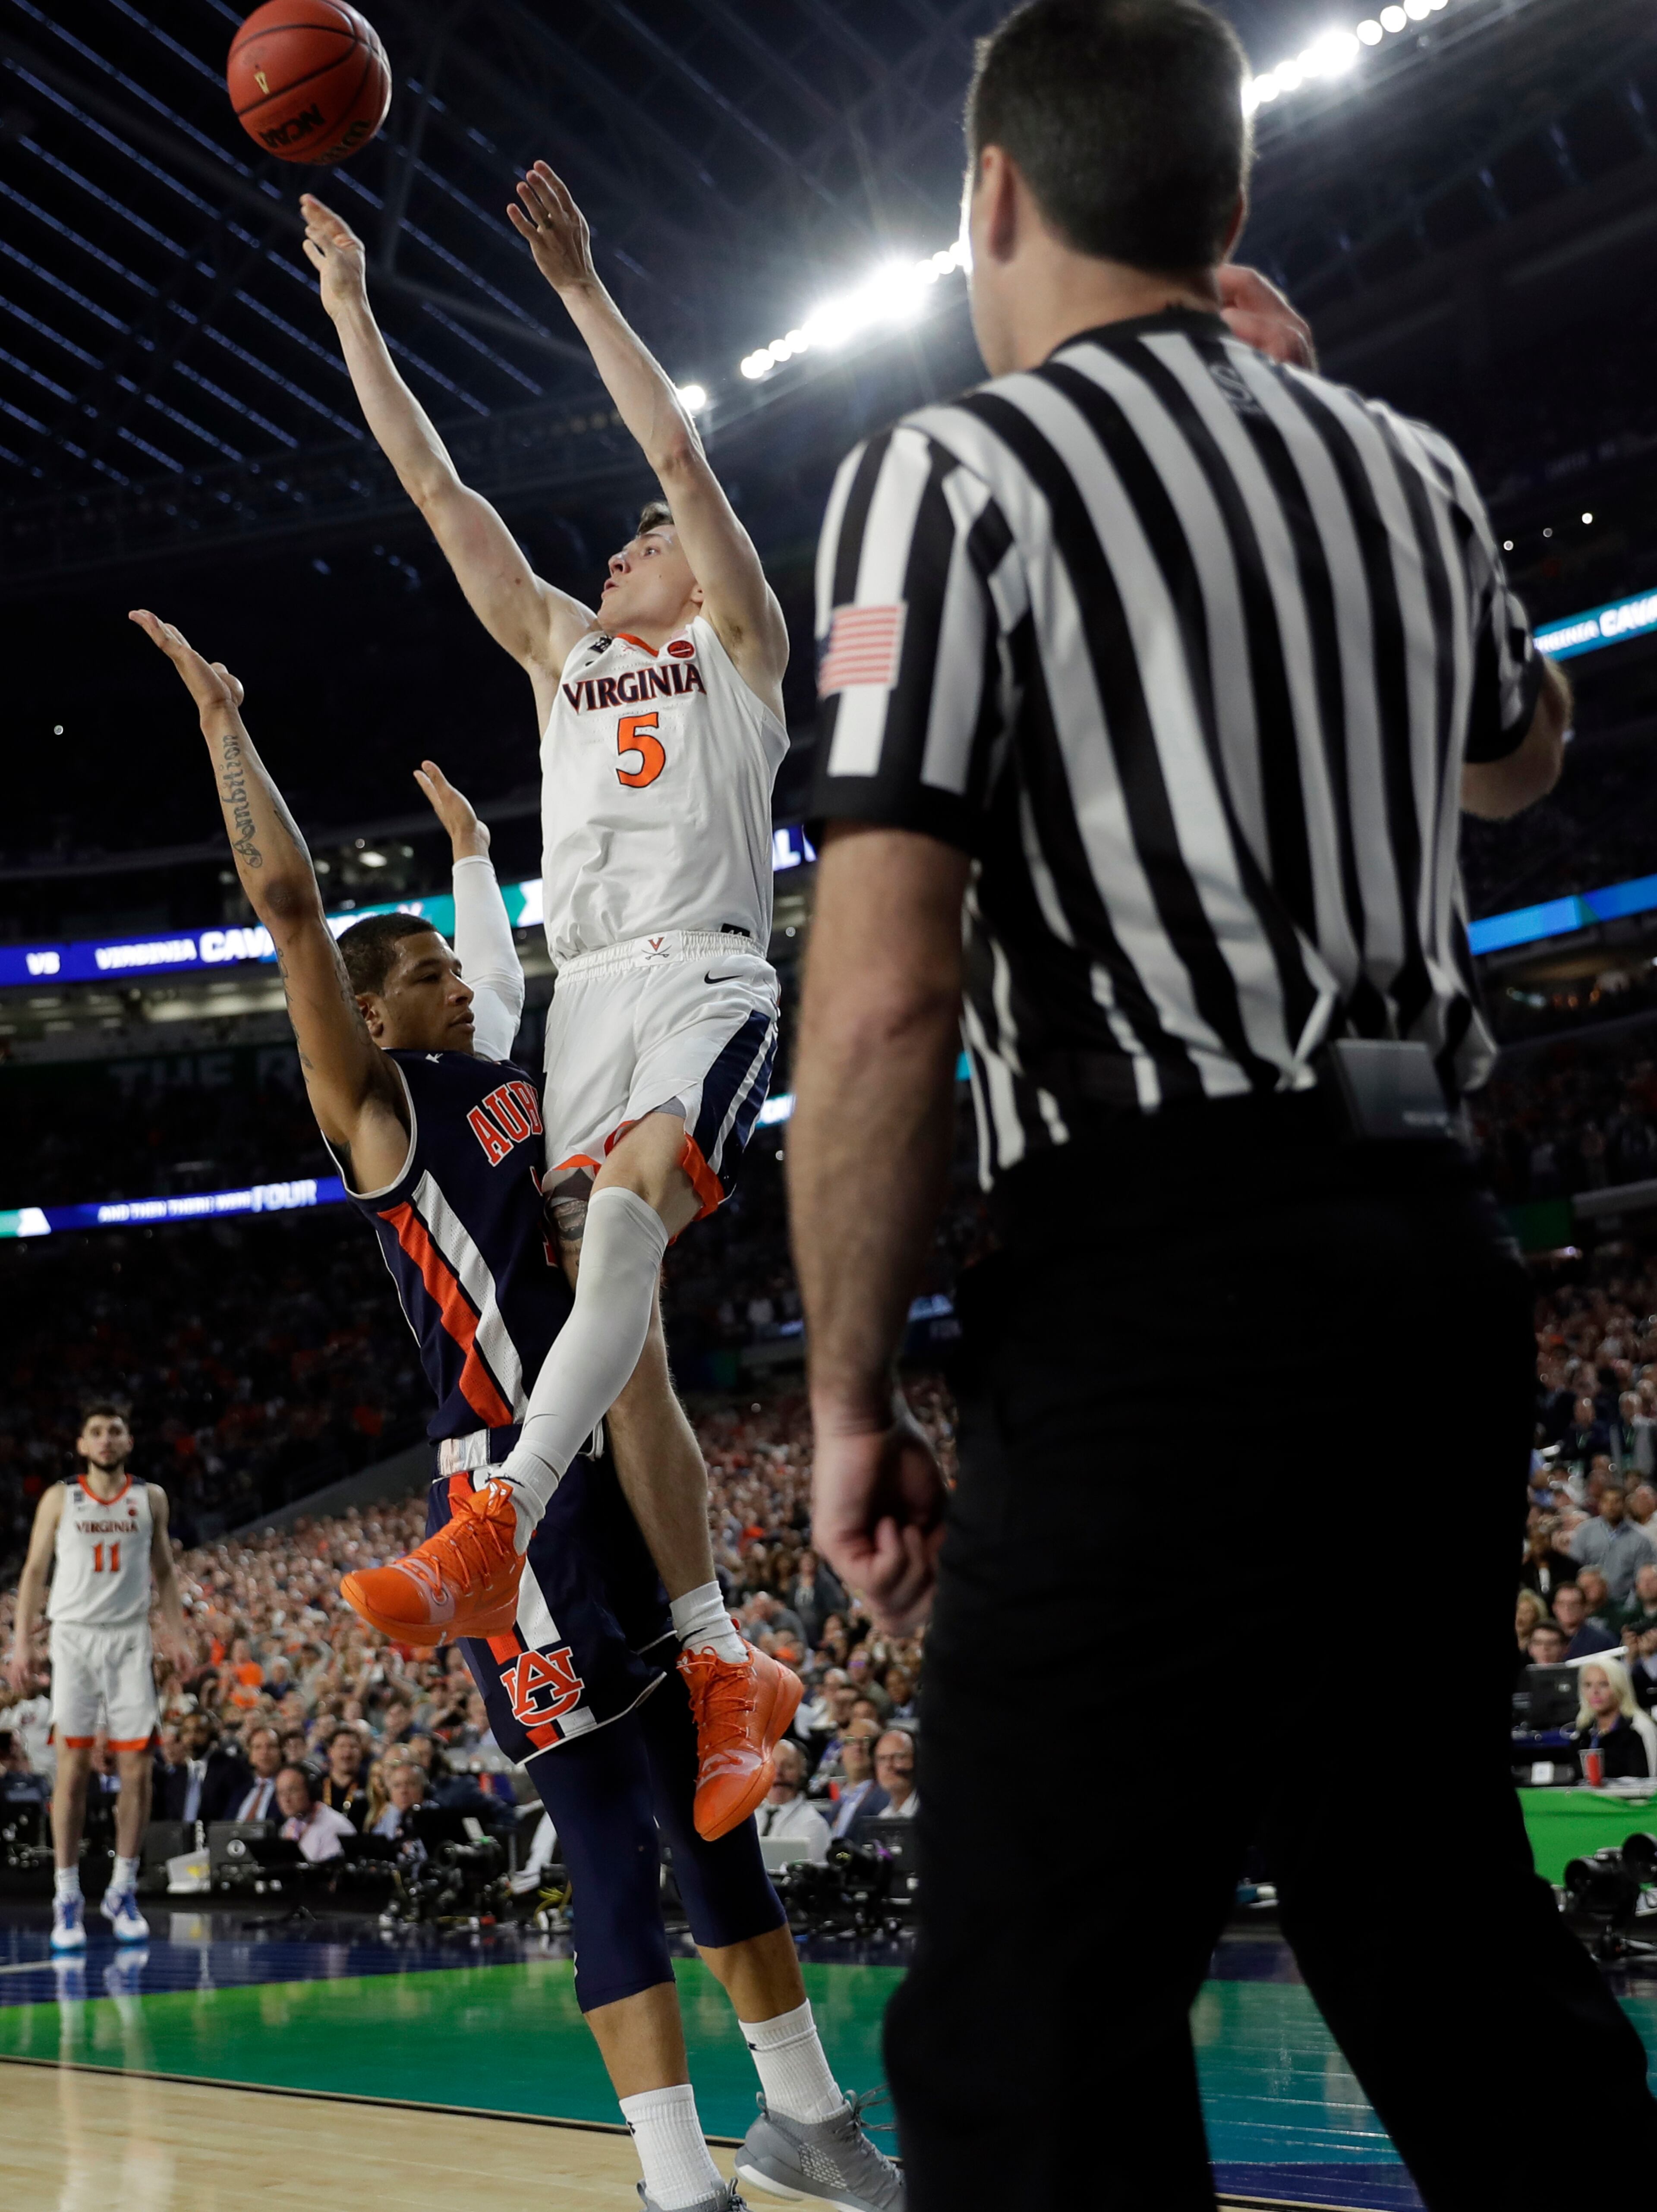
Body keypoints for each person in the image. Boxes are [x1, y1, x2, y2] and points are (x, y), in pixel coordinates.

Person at [787, 3, 1657, 2203]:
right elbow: (1518, 749)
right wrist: (1315, 438)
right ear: (1232, 207)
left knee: (1023, 2012)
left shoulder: (948, 472)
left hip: (1160, 1264)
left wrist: (850, 1390)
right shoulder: (1403, 467)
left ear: (990, 193)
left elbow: (884, 998)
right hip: (1432, 1255)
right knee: (1439, 1929)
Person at [135, 612, 896, 2212]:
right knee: (612, 1840)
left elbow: (526, 982)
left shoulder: (526, 1076)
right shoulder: (375, 1113)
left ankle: (808, 2119)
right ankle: (677, 2181)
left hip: (615, 1455)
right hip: (510, 1503)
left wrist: (480, 854)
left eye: (439, 963)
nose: (447, 985)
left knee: (715, 1809)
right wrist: (225, 724)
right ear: (380, 1019)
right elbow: (287, 908)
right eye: (414, 976)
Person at [298, 182, 803, 1824]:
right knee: (624, 1336)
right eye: (623, 548)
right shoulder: (561, 652)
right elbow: (436, 488)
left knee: (634, 1225)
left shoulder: (740, 649)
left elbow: (680, 463)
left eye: (640, 543)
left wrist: (583, 289)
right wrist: (356, 316)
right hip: (584, 1002)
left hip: (705, 970)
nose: (623, 545)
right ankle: (726, 1652)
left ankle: (498, 1511)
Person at [5, 1401, 189, 1950]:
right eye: (96, 1432)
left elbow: (165, 1570)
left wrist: (176, 1632)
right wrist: (21, 1641)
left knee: (138, 1768)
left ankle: (122, 1889)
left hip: (130, 1635)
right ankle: (66, 1895)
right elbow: (35, 1570)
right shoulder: (62, 1497)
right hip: (74, 1636)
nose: (107, 1439)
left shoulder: (150, 1496)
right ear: (82, 1446)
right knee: (73, 1767)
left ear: (128, 1441)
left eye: (115, 1431)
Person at [1569, 1484, 1656, 1604]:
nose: (1611, 1506)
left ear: (1626, 1504)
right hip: (1587, 1604)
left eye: (1616, 1501)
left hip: (1624, 1606)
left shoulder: (1641, 1539)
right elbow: (1574, 1570)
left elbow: (1641, 1580)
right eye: (1606, 1501)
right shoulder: (1584, 1532)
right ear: (1600, 1504)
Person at [1575, 1659, 1657, 1781]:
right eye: (1588, 1685)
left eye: (1604, 1684)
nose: (1595, 1692)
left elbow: (1650, 1783)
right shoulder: (1582, 1731)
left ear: (1620, 1686)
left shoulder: (1639, 1728)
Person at [755, 1743, 832, 1861]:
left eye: (788, 1766)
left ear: (803, 1774)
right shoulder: (752, 1817)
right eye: (772, 1766)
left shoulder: (813, 1825)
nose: (778, 1774)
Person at [276, 1764, 357, 1864]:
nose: (286, 1800)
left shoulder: (336, 1827)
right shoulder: (290, 1825)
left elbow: (330, 1873)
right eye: (281, 1793)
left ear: (311, 1791)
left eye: (293, 1790)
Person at [317, 1725, 369, 1829]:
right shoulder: (317, 1785)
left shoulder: (370, 1784)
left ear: (361, 1752)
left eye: (353, 1747)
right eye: (342, 1746)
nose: (347, 1754)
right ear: (330, 1752)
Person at [230, 1723, 284, 1823]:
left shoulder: (286, 1788)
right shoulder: (240, 1790)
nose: (265, 1753)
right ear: (250, 1755)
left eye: (271, 1746)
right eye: (258, 1747)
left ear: (281, 1752)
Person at [1552, 1582, 1618, 1661]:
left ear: (1585, 1608)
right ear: (1555, 1608)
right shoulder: (1543, 1639)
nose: (1567, 1609)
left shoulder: (1603, 1641)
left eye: (1574, 1604)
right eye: (1562, 1604)